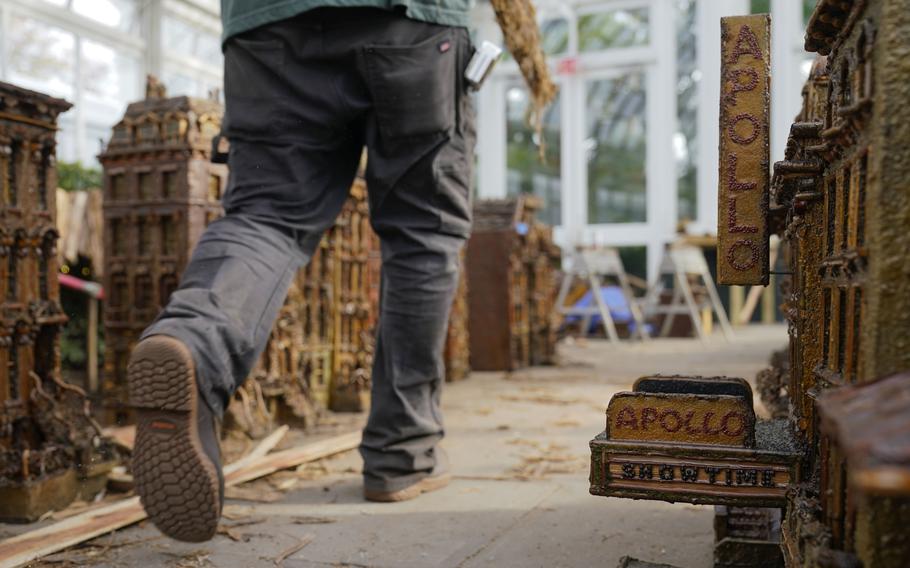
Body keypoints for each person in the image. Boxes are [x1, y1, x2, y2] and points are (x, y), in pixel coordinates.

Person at [128, 0, 475, 543]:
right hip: (410, 24)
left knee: (266, 217)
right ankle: (402, 453)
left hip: (267, 25)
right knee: (421, 235)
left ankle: (194, 343)